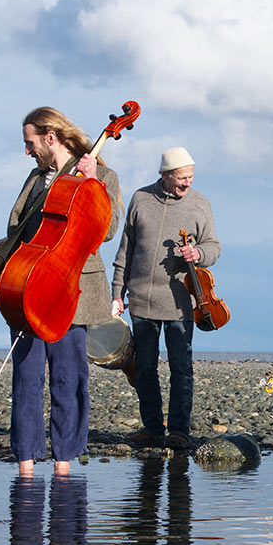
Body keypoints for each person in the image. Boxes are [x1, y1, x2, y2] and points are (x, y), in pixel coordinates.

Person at [0, 107, 122, 476]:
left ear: (50, 137)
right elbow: (22, 228)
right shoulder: (36, 178)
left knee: (69, 377)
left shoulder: (102, 174)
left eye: (30, 143)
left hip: (75, 287)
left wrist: (94, 184)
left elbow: (108, 230)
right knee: (26, 373)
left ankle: (64, 461)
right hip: (30, 285)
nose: (27, 151)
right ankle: (25, 459)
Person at [111, 147, 220, 450]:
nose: (188, 183)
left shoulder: (200, 204)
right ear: (165, 175)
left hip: (182, 302)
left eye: (191, 177)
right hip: (142, 300)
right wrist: (116, 293)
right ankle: (151, 428)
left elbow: (214, 246)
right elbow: (125, 252)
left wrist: (198, 253)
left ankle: (180, 430)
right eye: (182, 178)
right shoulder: (140, 199)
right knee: (144, 367)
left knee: (181, 367)